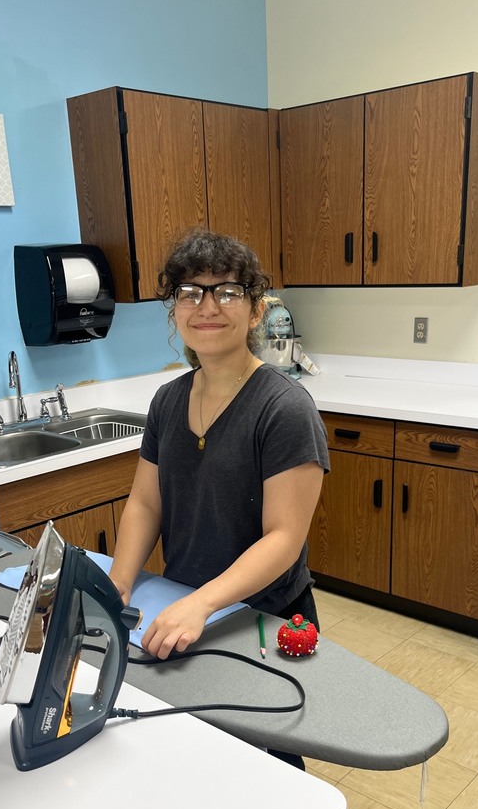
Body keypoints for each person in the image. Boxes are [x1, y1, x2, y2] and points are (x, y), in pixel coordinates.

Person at [108, 229, 329, 668]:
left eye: (227, 292)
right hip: (180, 605)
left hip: (263, 615)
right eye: (190, 293)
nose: (207, 307)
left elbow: (284, 537)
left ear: (254, 312)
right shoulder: (167, 401)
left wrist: (203, 604)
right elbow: (146, 503)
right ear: (175, 312)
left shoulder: (284, 408)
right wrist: (118, 582)